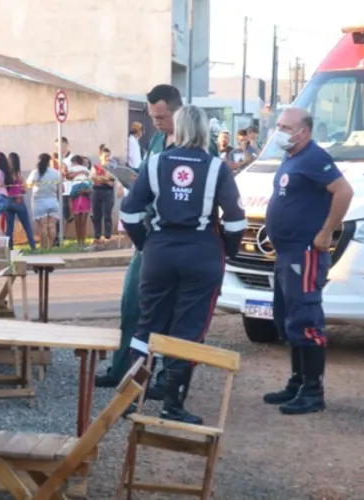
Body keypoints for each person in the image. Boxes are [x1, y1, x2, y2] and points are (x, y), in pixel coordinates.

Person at [120, 105, 247, 424]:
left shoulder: (154, 164)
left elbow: (129, 213)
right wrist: (226, 251)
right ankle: (172, 405)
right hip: (201, 253)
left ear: (176, 130)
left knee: (147, 324)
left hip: (160, 251)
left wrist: (145, 244)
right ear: (206, 131)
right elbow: (235, 221)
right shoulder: (217, 168)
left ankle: (129, 400)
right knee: (188, 327)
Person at [261, 107, 353, 416]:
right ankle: (297, 382)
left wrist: (327, 232)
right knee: (287, 319)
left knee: (306, 319)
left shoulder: (315, 157)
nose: (280, 132)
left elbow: (344, 191)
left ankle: (313, 392)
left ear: (306, 131)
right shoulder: (292, 158)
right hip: (286, 253)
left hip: (305, 252)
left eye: (287, 127)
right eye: (279, 126)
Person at [95, 84, 182, 393]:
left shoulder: (193, 142)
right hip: (145, 235)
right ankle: (122, 369)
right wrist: (126, 174)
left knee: (170, 314)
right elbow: (146, 177)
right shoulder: (158, 139)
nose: (156, 123)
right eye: (152, 117)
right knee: (132, 304)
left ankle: (163, 380)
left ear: (177, 109)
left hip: (172, 239)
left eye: (161, 117)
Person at [27, 153, 61, 249]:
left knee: (42, 226)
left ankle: (43, 247)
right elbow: (61, 187)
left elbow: (28, 184)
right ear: (50, 162)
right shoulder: (55, 172)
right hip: (53, 200)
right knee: (52, 225)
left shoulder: (35, 172)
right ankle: (51, 247)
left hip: (39, 201)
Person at [4, 152, 37, 250]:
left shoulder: (6, 175)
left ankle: (9, 249)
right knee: (27, 225)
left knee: (9, 228)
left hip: (8, 201)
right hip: (18, 200)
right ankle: (33, 247)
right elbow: (25, 189)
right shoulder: (19, 175)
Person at [91, 146, 118, 244]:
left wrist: (100, 178)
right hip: (96, 191)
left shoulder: (112, 166)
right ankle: (97, 235)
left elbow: (111, 176)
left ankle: (107, 235)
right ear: (100, 157)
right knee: (97, 215)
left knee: (107, 214)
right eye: (105, 156)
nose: (108, 158)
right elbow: (93, 177)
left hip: (108, 192)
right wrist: (106, 180)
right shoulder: (95, 166)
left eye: (109, 156)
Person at [66, 155, 92, 247]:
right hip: (76, 200)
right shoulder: (77, 171)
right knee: (77, 223)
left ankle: (83, 241)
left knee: (83, 222)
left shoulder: (88, 173)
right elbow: (69, 176)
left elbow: (91, 185)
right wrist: (80, 172)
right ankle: (79, 242)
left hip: (85, 199)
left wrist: (85, 191)